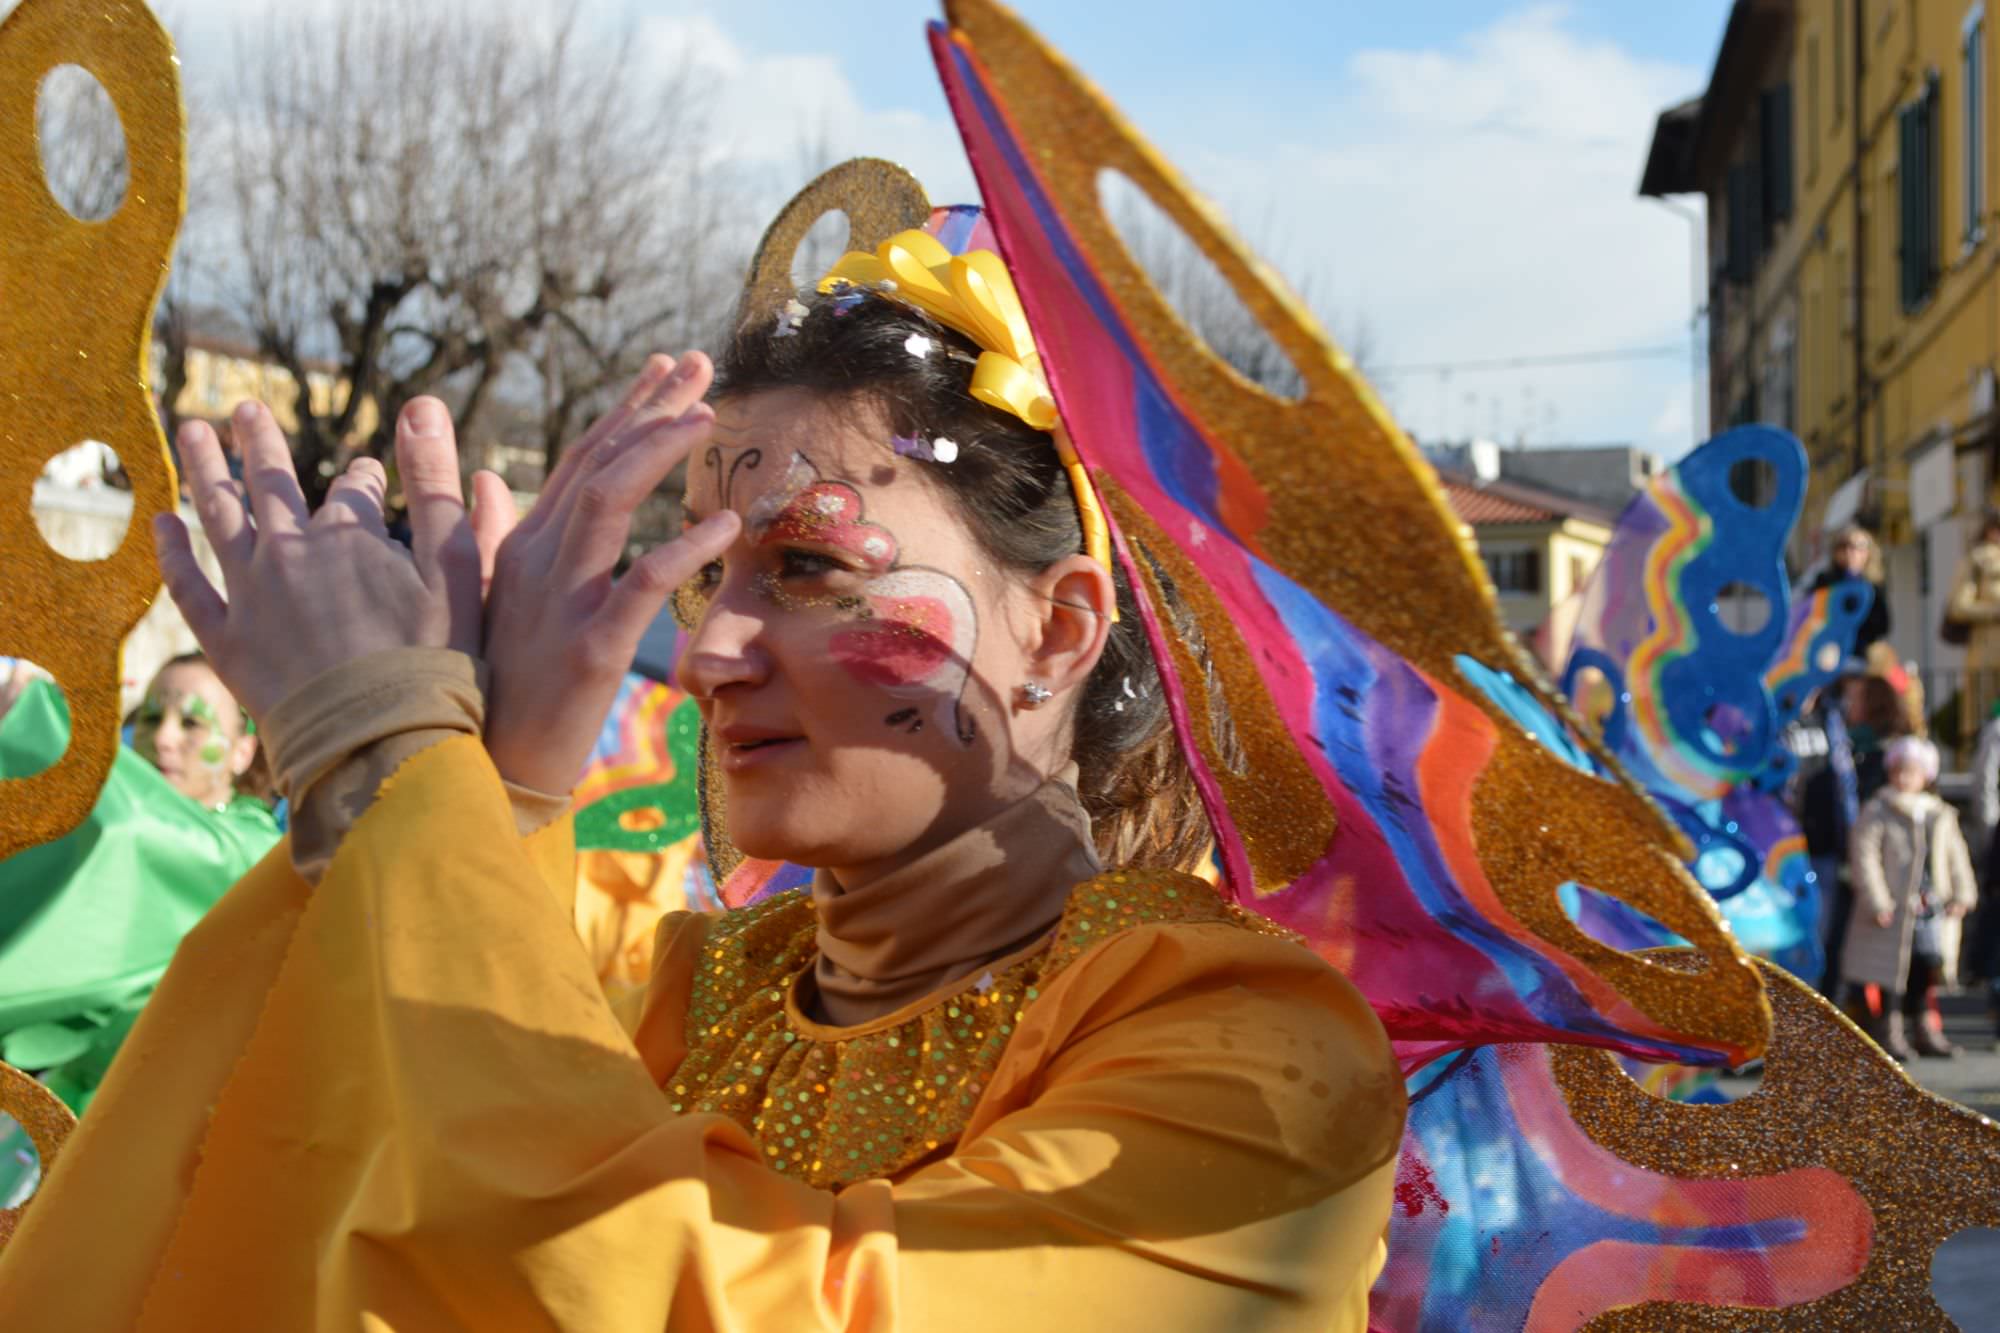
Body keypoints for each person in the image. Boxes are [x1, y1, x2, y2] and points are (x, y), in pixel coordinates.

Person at [0, 243, 1405, 1322]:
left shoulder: (1254, 1056)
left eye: (808, 565)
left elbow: (675, 1289)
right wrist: (499, 783)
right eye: (709, 569)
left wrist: (385, 754)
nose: (711, 648)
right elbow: (291, 1180)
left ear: (1058, 627)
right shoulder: (688, 988)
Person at [0, 653, 279, 1204]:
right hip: (38, 1126)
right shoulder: (101, 823)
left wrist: (33, 713)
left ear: (245, 750)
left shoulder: (255, 856)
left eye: (192, 723)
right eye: (149, 719)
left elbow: (145, 833)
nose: (164, 739)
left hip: (151, 1162)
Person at [1842, 736, 1978, 1061]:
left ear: (1925, 775)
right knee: (1890, 970)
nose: (1904, 777)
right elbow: (1865, 857)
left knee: (1925, 967)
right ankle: (1889, 1030)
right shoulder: (1878, 810)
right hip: (1893, 907)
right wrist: (1877, 900)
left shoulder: (1939, 814)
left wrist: (1963, 893)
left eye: (1912, 771)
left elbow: (1956, 858)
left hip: (1930, 906)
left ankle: (1925, 1027)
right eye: (1899, 770)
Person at [1948, 509, 2000, 739]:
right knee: (1988, 721)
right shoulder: (1978, 560)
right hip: (1988, 653)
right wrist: (1994, 612)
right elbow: (1958, 606)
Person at [1810, 524, 1890, 654]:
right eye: (1843, 546)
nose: (1849, 552)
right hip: (1831, 650)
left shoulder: (1874, 585)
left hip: (1863, 651)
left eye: (1856, 547)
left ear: (1867, 553)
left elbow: (1883, 624)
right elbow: (1816, 615)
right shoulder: (1825, 581)